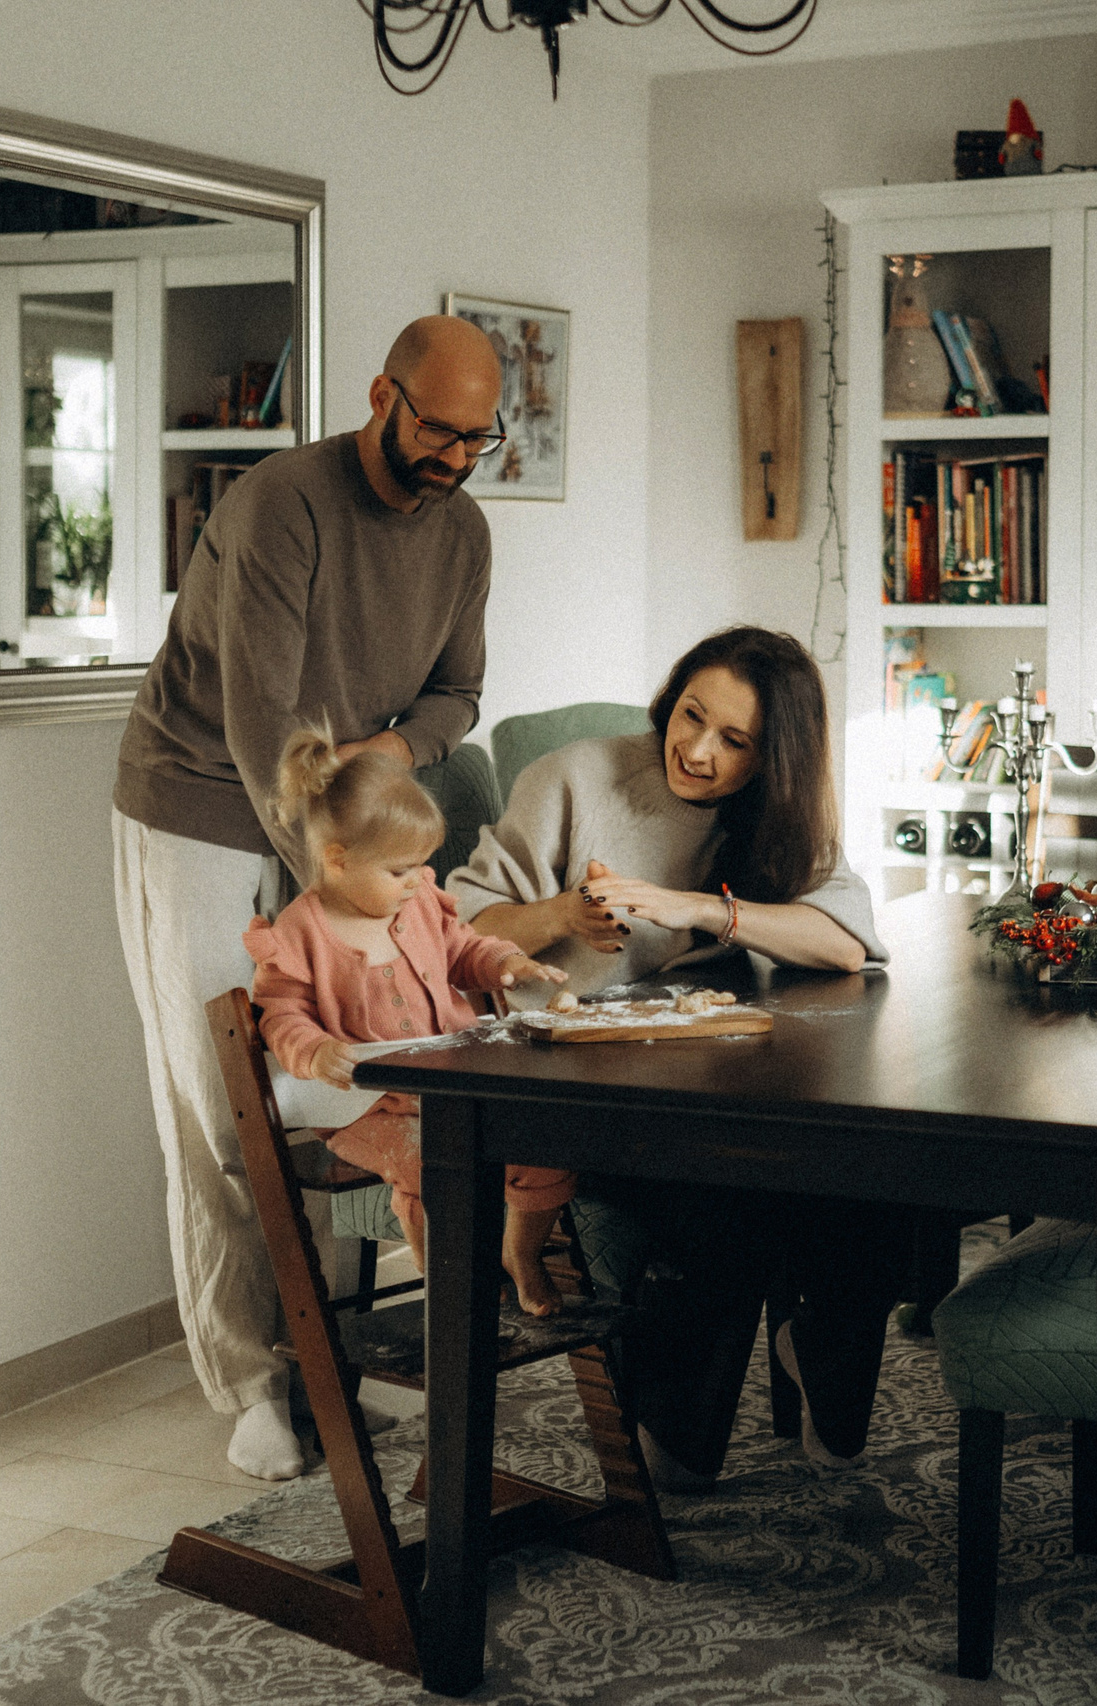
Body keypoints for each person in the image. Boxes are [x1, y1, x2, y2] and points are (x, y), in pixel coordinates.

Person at [110, 315, 506, 1480]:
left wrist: (387, 751)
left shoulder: (464, 530)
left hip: (338, 827)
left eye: (477, 440)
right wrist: (340, 883)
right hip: (199, 807)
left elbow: (461, 693)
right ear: (383, 392)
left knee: (339, 1085)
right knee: (222, 1096)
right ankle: (252, 1379)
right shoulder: (283, 503)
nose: (452, 459)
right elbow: (260, 727)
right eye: (437, 429)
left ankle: (326, 1360)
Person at [449, 626, 910, 1488]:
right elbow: (457, 928)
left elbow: (845, 943)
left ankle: (817, 1345)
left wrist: (701, 909)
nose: (697, 752)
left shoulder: (777, 813)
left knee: (869, 1166)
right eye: (692, 716)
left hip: (715, 1063)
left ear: (775, 757)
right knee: (731, 1178)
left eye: (735, 742)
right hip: (573, 1075)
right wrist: (558, 916)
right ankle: (679, 1418)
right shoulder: (574, 778)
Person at [245, 723, 573, 1315]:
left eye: (422, 866)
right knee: (436, 1163)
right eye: (401, 870)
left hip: (455, 1083)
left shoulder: (420, 901)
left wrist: (507, 963)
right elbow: (281, 1014)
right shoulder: (301, 932)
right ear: (337, 861)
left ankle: (521, 1253)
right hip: (369, 1105)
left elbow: (464, 949)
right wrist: (316, 1052)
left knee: (544, 1144)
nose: (418, 881)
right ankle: (451, 1293)